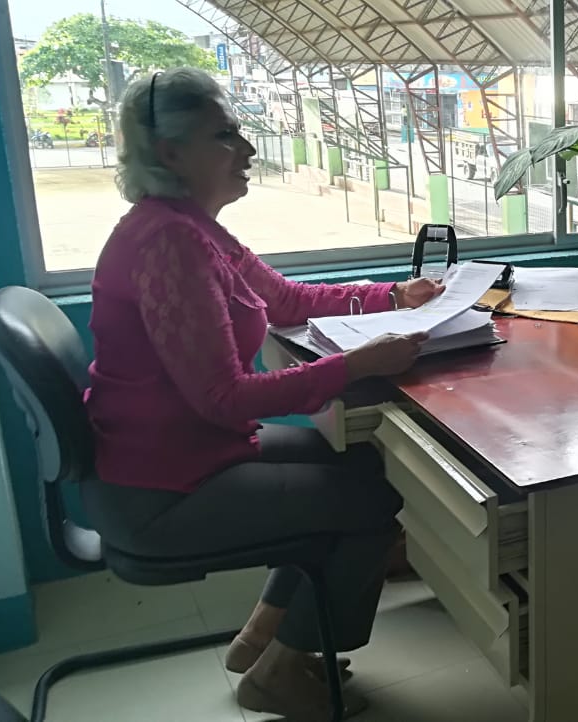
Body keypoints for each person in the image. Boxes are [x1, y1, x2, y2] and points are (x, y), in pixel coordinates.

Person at [81, 68, 442, 720]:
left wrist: (392, 294)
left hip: (193, 453)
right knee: (373, 499)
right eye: (224, 136)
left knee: (364, 461)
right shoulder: (168, 243)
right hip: (164, 489)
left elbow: (285, 300)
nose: (247, 150)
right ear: (170, 153)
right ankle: (279, 672)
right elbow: (224, 397)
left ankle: (263, 636)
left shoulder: (194, 228)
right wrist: (355, 365)